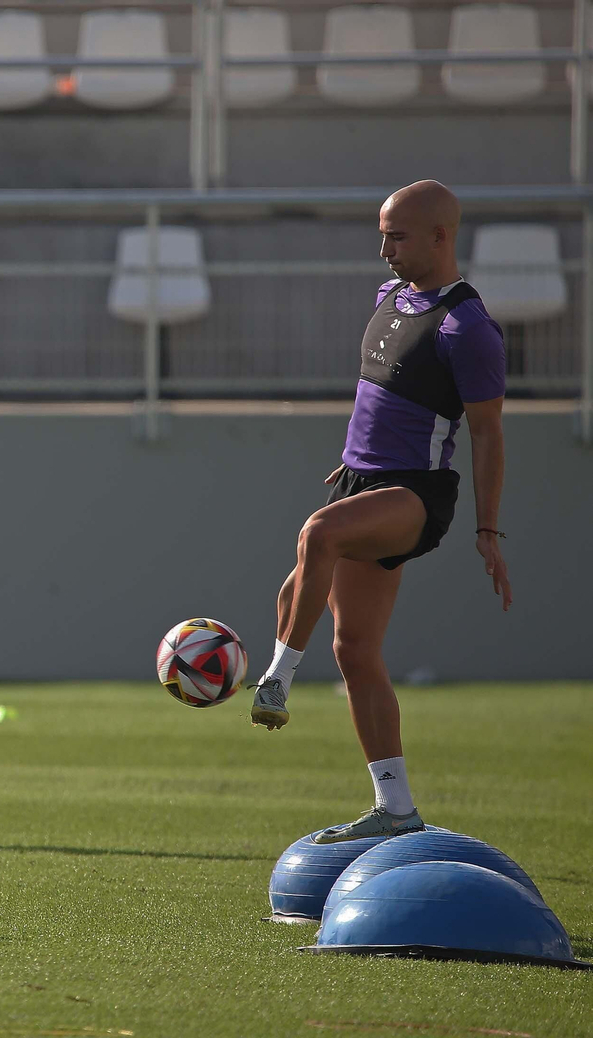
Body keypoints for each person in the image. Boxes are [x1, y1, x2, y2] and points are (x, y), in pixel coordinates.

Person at [248, 181, 511, 844]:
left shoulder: (468, 329)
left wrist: (486, 530)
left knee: (318, 533)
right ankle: (395, 807)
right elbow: (377, 394)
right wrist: (352, 460)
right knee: (355, 647)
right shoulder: (388, 297)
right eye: (382, 233)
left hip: (416, 494)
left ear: (439, 238)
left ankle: (277, 681)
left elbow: (487, 434)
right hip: (361, 479)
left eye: (397, 235)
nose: (384, 247)